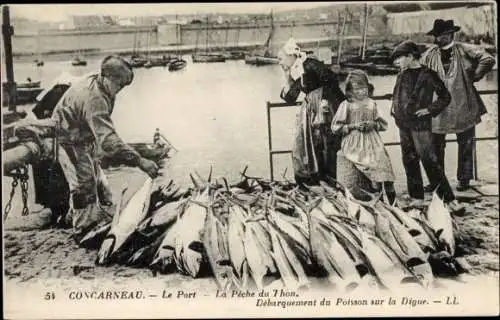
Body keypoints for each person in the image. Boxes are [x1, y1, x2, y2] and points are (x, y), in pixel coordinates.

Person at [51, 55, 159, 240]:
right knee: (84, 184)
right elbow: (108, 141)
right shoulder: (95, 99)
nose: (120, 91)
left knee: (98, 183)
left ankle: (74, 217)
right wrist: (140, 161)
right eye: (119, 85)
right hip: (67, 138)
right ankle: (82, 230)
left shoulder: (100, 80)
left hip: (83, 135)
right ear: (107, 78)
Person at [420, 19, 496, 191]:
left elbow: (488, 59)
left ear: (450, 35)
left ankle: (464, 179)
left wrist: (474, 77)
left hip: (464, 104)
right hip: (438, 106)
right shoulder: (429, 54)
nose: (439, 39)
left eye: (442, 35)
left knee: (466, 143)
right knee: (435, 145)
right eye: (437, 36)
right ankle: (437, 181)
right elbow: (419, 73)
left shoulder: (464, 49)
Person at [391, 40, 463, 212]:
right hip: (403, 124)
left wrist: (429, 110)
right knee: (409, 160)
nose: (397, 62)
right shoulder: (401, 75)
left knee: (430, 161)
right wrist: (394, 108)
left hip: (421, 125)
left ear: (410, 57)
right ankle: (416, 198)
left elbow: (445, 97)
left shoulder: (428, 75)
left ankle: (449, 200)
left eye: (400, 58)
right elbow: (398, 95)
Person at [278, 38, 346, 185]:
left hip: (325, 106)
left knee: (326, 142)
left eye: (281, 58)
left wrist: (324, 101)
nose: (280, 62)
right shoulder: (297, 70)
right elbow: (290, 98)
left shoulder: (310, 64)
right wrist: (287, 77)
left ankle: (330, 179)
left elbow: (331, 80)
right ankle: (315, 179)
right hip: (311, 109)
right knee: (309, 143)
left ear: (292, 55)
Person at [331, 70, 396, 204]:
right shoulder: (346, 105)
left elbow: (383, 125)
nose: (361, 92)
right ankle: (379, 202)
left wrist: (373, 124)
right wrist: (353, 126)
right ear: (350, 90)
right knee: (373, 172)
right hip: (354, 141)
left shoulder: (372, 104)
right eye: (356, 89)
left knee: (385, 169)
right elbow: (335, 128)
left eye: (363, 88)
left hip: (373, 140)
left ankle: (393, 202)